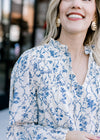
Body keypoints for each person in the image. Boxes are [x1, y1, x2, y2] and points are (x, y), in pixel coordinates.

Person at [7, 0, 100, 139]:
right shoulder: (32, 61)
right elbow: (16, 131)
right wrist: (65, 137)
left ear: (95, 16)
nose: (76, 4)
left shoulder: (98, 66)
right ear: (58, 10)